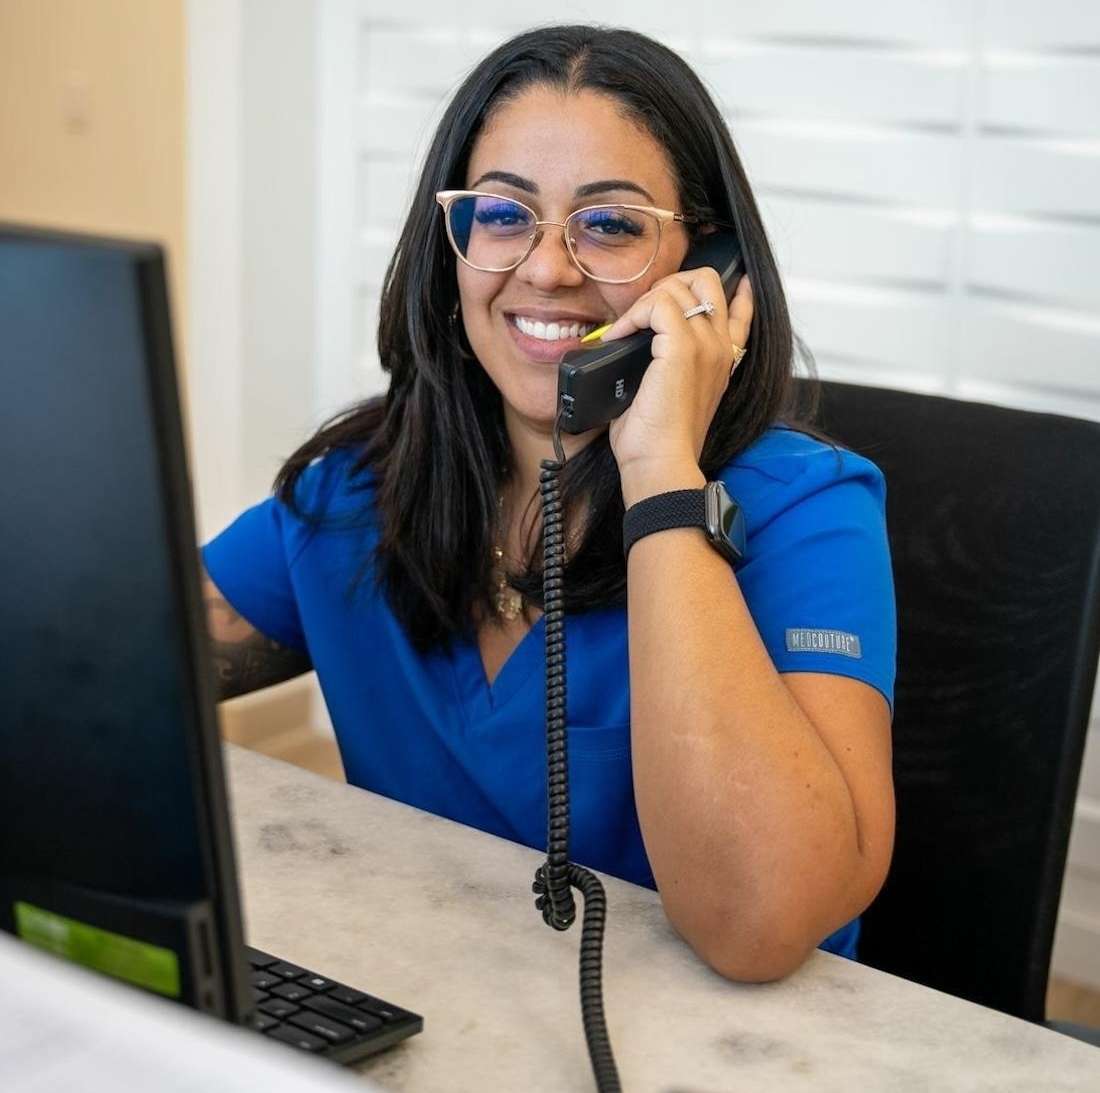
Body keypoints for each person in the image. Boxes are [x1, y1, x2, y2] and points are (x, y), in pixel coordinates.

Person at [202, 25, 896, 983]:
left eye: (609, 225)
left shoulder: (805, 513)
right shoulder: (364, 481)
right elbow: (117, 657)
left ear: (713, 269)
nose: (547, 268)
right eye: (502, 213)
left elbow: (760, 921)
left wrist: (660, 473)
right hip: (441, 1011)